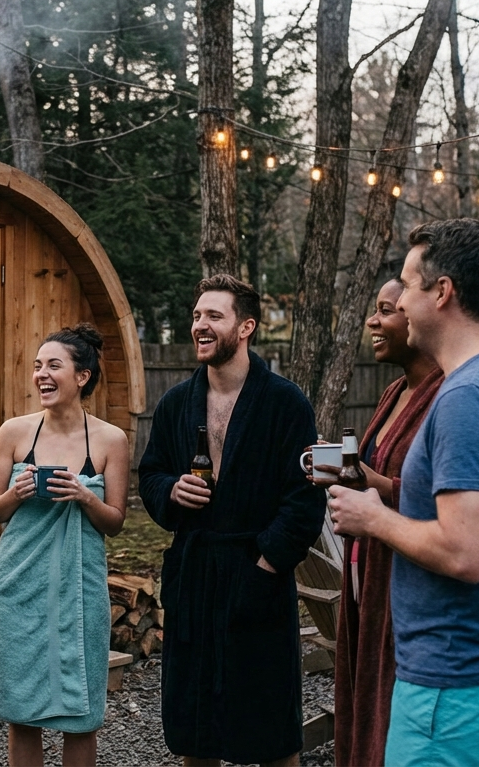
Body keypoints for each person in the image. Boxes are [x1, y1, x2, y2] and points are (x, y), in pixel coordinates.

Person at [328, 219, 479, 767]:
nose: (401, 302)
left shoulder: (470, 397)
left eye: (408, 286)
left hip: (462, 689)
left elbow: (466, 552)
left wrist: (374, 517)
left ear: (442, 292)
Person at [138, 274, 326, 766]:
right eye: (197, 315)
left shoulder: (285, 403)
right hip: (195, 571)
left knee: (271, 727)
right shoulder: (177, 403)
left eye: (213, 316)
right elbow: (151, 473)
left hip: (256, 571)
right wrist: (172, 491)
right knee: (194, 728)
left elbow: (305, 498)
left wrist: (265, 566)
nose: (200, 325)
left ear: (246, 327)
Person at [306, 279, 443, 767]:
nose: (372, 321)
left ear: (418, 317)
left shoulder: (447, 397)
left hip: (407, 584)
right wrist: (339, 472)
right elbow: (373, 473)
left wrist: (378, 486)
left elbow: (445, 504)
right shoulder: (393, 393)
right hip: (364, 576)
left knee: (394, 715)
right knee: (366, 700)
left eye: (386, 310)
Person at [0, 324, 130, 767]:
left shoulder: (110, 440)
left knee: (80, 714)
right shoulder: (14, 432)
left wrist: (86, 496)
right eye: (37, 366)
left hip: (79, 589)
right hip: (17, 587)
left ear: (82, 376)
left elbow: (117, 522)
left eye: (53, 365)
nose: (41, 375)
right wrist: (16, 493)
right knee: (20, 712)